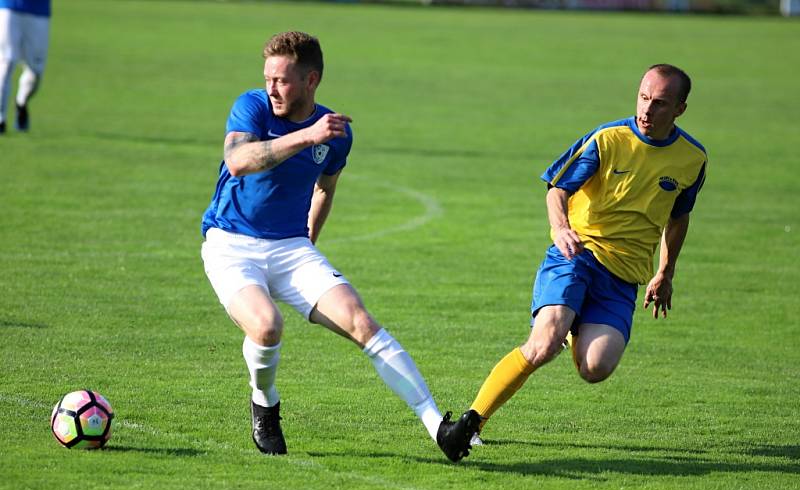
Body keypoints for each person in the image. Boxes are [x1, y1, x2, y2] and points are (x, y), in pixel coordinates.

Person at [201, 31, 460, 458]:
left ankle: (439, 428)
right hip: (231, 244)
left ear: (311, 80)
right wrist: (306, 137)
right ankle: (264, 404)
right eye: (267, 78)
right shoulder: (252, 107)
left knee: (362, 322)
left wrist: (307, 248)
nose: (272, 89)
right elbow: (239, 161)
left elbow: (325, 189)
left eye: (282, 80)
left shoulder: (337, 135)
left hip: (290, 248)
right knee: (266, 326)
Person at [438, 64, 708, 461]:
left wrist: (665, 272)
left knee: (595, 367)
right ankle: (469, 423)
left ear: (680, 109)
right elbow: (556, 187)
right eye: (643, 97)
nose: (647, 110)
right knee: (543, 343)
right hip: (577, 255)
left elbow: (679, 216)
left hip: (623, 278)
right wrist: (561, 228)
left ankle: (570, 324)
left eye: (660, 103)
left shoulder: (692, 158)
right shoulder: (608, 138)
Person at [0, 0, 51, 133]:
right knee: (7, 62)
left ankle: (21, 102)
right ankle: (1, 119)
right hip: (8, 6)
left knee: (36, 70)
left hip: (38, 11)